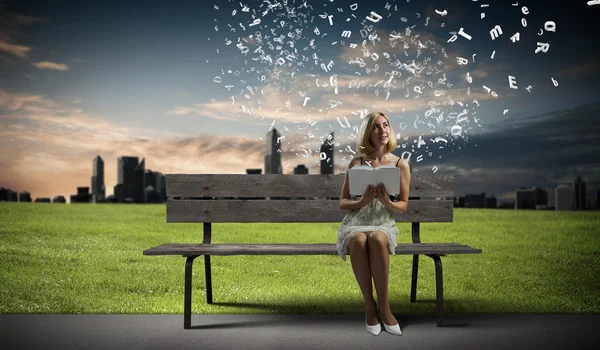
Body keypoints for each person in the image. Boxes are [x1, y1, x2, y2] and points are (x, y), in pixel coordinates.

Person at [336, 111, 411, 336]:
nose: (383, 131)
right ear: (368, 133)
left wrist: (387, 202)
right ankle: (370, 308)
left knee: (378, 238)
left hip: (382, 221)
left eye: (386, 125)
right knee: (357, 239)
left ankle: (385, 309)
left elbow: (404, 205)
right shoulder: (356, 162)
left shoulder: (400, 164)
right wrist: (362, 201)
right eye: (377, 127)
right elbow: (343, 203)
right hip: (357, 221)